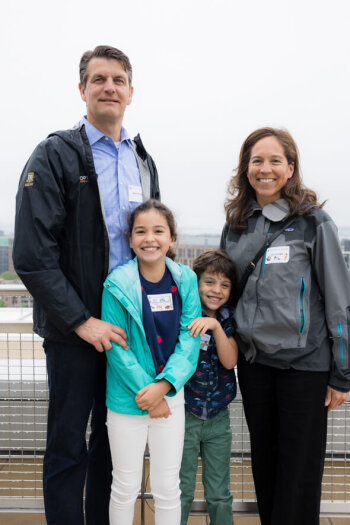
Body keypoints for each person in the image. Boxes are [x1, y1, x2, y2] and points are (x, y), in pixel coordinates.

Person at [13, 45, 160, 525]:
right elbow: (32, 257)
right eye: (98, 79)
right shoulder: (56, 154)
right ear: (82, 90)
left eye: (118, 80)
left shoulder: (142, 160)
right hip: (75, 332)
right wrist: (81, 320)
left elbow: (155, 243)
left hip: (127, 332)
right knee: (67, 444)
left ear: (131, 92)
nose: (109, 87)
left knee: (114, 446)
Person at [220, 127, 350, 525]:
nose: (265, 168)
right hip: (255, 365)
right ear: (245, 169)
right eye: (256, 160)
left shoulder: (314, 223)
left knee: (299, 473)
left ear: (290, 168)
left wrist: (342, 374)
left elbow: (339, 301)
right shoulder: (237, 224)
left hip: (305, 368)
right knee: (267, 465)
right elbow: (224, 288)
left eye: (275, 160)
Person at [102, 199, 201, 525]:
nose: (150, 239)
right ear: (130, 239)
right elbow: (117, 348)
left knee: (167, 486)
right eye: (141, 231)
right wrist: (148, 392)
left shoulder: (186, 280)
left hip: (170, 398)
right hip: (127, 400)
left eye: (159, 231)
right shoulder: (116, 284)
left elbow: (190, 338)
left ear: (172, 238)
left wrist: (164, 387)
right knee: (125, 485)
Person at [180, 249, 238, 525]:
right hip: (184, 415)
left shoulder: (228, 318)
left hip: (218, 418)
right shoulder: (184, 314)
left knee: (219, 493)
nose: (217, 290)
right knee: (181, 489)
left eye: (224, 285)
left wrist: (215, 326)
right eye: (210, 282)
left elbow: (230, 361)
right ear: (196, 282)